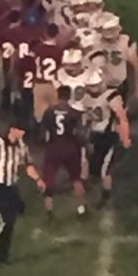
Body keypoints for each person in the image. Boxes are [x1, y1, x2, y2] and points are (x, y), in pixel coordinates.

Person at [0, 120, 44, 266]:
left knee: (14, 218)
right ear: (12, 129)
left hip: (11, 186)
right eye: (20, 130)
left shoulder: (22, 146)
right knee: (6, 221)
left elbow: (28, 165)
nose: (23, 134)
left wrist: (38, 179)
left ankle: (0, 254)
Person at [80, 69, 131, 208]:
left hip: (109, 136)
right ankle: (86, 187)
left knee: (104, 170)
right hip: (93, 135)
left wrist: (125, 137)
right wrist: (84, 131)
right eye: (90, 86)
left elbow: (122, 117)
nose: (93, 88)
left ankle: (106, 194)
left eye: (95, 85)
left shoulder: (111, 97)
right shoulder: (86, 97)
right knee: (87, 163)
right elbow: (86, 116)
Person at [40, 86, 87, 218]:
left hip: (53, 147)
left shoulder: (48, 111)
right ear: (69, 97)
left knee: (48, 180)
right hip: (70, 147)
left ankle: (49, 211)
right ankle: (81, 209)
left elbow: (43, 134)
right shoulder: (74, 113)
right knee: (76, 179)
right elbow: (80, 134)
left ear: (57, 95)